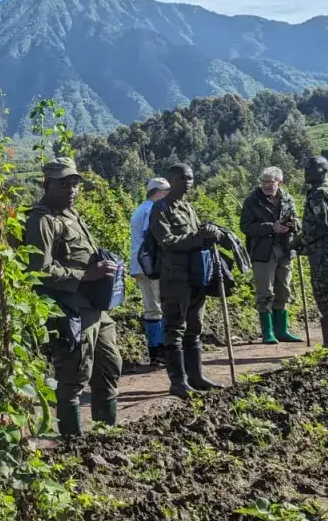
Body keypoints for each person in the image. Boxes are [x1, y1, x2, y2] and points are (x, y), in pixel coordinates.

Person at [25, 159, 122, 436]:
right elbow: (39, 270)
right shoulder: (41, 220)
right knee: (74, 375)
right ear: (47, 184)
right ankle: (72, 444)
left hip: (96, 306)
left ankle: (106, 433)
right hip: (71, 308)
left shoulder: (71, 215)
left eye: (75, 184)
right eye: (64, 183)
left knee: (108, 366)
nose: (71, 189)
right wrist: (85, 276)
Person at [150, 163, 224, 397]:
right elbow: (168, 242)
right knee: (175, 328)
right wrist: (197, 237)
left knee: (194, 327)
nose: (189, 183)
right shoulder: (160, 209)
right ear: (172, 181)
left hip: (195, 276)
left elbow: (195, 236)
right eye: (184, 179)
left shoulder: (188, 207)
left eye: (191, 178)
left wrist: (208, 234)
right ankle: (178, 381)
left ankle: (196, 376)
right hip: (174, 278)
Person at [240, 167, 304, 344]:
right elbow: (245, 227)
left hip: (285, 249)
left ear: (280, 183)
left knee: (283, 290)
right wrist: (271, 227)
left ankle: (282, 330)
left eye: (271, 182)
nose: (267, 185)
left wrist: (293, 225)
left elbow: (296, 220)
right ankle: (267, 333)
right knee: (265, 292)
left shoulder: (287, 199)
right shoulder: (252, 201)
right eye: (264, 182)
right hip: (262, 251)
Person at [292, 156, 328, 346]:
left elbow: (323, 224)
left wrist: (300, 240)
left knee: (327, 296)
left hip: (324, 253)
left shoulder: (321, 193)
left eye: (311, 169)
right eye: (306, 169)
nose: (306, 173)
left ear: (322, 171)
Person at [130, 177, 171, 367]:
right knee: (154, 307)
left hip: (142, 265)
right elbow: (152, 237)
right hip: (148, 265)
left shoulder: (143, 207)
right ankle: (158, 352)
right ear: (158, 192)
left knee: (153, 306)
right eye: (165, 192)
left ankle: (158, 351)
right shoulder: (150, 210)